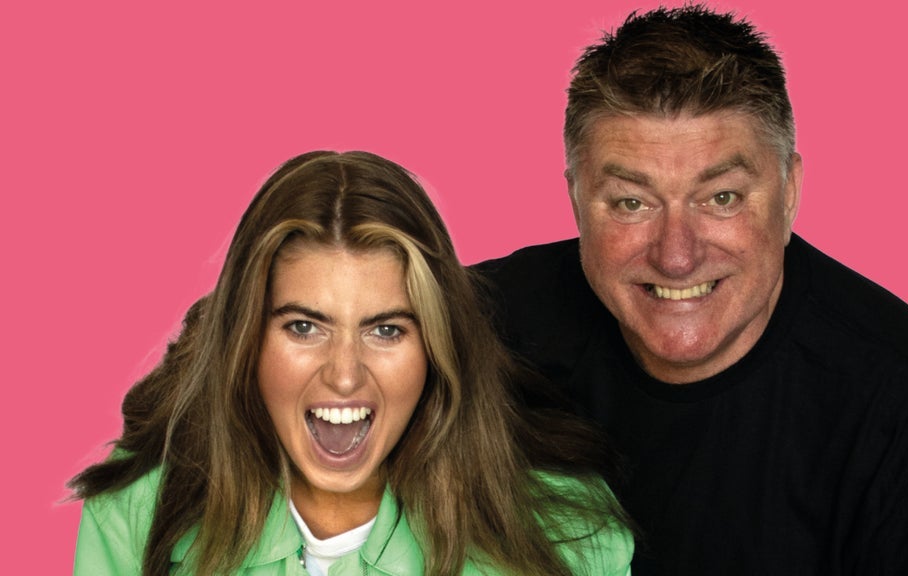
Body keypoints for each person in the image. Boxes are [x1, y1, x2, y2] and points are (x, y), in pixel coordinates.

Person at [476, 5, 908, 575]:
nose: (676, 256)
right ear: (576, 200)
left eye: (722, 198)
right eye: (631, 203)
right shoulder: (478, 326)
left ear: (789, 193)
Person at [69, 151, 633, 575]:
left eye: (386, 330)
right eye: (303, 327)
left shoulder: (569, 537)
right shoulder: (137, 514)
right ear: (246, 341)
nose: (344, 375)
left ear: (437, 348)